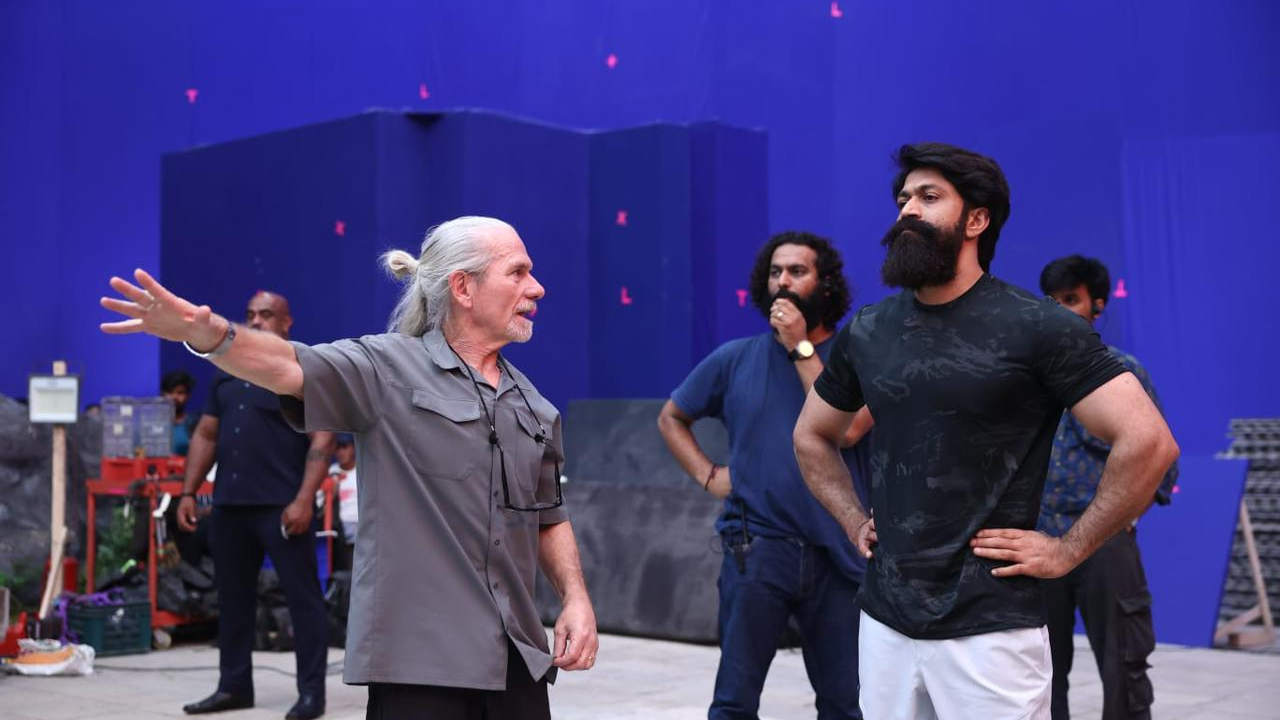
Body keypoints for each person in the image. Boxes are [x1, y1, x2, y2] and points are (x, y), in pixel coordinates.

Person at [100, 215, 598, 720]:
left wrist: (575, 597)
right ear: (463, 288)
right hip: (419, 663)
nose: (536, 287)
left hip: (517, 660)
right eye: (517, 272)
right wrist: (209, 335)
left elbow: (548, 516)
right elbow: (288, 364)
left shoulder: (534, 407)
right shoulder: (384, 370)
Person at [792, 143, 1179, 719]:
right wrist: (852, 518)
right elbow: (811, 436)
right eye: (903, 199)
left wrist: (1068, 549)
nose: (908, 210)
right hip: (884, 623)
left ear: (976, 220)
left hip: (991, 630)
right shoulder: (869, 330)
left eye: (929, 197)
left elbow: (1149, 442)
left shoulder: (1037, 327)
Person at [658, 232, 870, 720]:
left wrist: (800, 348)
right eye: (776, 272)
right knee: (733, 704)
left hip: (839, 556)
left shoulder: (857, 355)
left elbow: (848, 430)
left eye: (798, 271)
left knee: (845, 706)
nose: (783, 282)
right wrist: (709, 475)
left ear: (826, 283)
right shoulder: (736, 358)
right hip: (757, 550)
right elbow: (671, 418)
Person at [167, 291, 333, 720]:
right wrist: (189, 492)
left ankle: (311, 694)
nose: (256, 321)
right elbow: (206, 434)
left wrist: (304, 499)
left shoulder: (299, 369)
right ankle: (234, 686)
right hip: (230, 507)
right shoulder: (225, 371)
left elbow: (323, 437)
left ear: (286, 323)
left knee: (303, 601)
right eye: (250, 314)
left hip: (283, 507)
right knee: (233, 600)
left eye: (266, 314)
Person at [1038, 254, 1179, 720]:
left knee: (1125, 668)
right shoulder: (1027, 376)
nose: (1060, 310)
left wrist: (1126, 517)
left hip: (1104, 540)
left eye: (1071, 299)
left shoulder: (1122, 372)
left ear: (1098, 305)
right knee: (1036, 674)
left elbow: (1162, 458)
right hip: (1038, 541)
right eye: (1052, 300)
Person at [327, 433, 358, 571]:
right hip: (337, 528)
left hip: (360, 525)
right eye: (337, 448)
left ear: (353, 448)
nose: (340, 452)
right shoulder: (330, 472)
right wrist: (330, 491)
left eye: (344, 447)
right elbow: (320, 506)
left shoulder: (363, 471)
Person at [162, 369, 200, 456]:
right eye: (170, 392)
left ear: (188, 395)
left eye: (180, 392)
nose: (174, 397)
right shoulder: (153, 425)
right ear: (163, 394)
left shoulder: (194, 424)